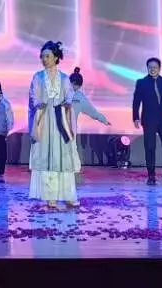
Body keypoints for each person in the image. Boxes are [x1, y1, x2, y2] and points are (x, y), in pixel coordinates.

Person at [28, 41, 79, 208]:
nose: (44, 59)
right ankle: (50, 196)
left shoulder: (64, 78)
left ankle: (68, 194)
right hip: (44, 120)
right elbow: (34, 96)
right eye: (42, 56)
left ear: (56, 57)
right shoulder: (38, 77)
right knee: (47, 157)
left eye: (47, 56)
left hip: (60, 120)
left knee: (63, 158)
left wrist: (66, 103)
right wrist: (39, 104)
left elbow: (69, 95)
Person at [132, 57, 162, 186]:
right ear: (147, 68)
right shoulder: (141, 83)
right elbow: (136, 101)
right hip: (149, 119)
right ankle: (151, 176)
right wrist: (136, 117)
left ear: (159, 68)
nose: (152, 69)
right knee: (150, 147)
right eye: (150, 67)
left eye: (155, 67)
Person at [68, 67, 111, 175]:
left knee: (70, 148)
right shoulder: (62, 94)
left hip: (70, 128)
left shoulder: (79, 97)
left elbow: (92, 111)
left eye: (75, 85)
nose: (73, 86)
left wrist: (103, 120)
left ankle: (73, 169)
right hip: (60, 126)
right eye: (72, 84)